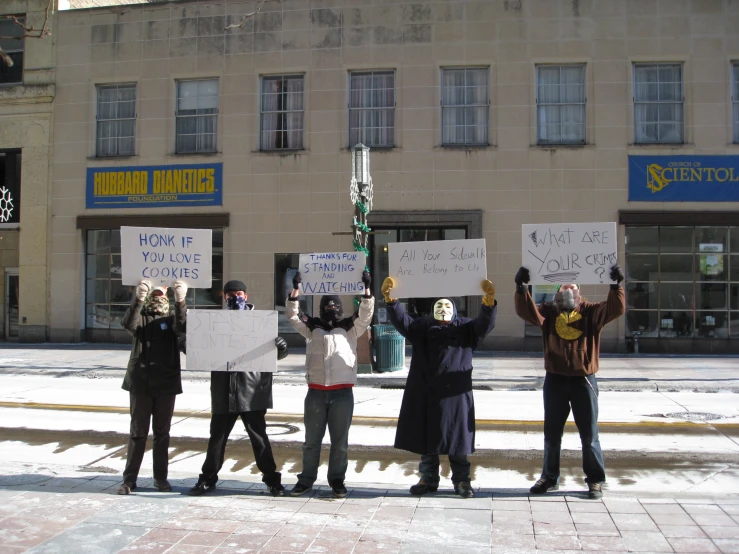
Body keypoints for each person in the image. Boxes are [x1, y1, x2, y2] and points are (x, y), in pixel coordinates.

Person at [514, 265, 625, 499]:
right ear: (556, 290)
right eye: (564, 286)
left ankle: (595, 480)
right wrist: (521, 288)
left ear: (579, 290)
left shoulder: (591, 312)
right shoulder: (549, 312)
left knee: (589, 433)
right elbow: (527, 312)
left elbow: (615, 309)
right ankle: (549, 476)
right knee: (552, 433)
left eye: (572, 286)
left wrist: (616, 287)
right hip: (555, 379)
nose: (568, 289)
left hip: (583, 380)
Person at [381, 278, 498, 498]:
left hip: (455, 394)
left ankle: (462, 480)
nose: (443, 309)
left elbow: (484, 325)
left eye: (447, 306)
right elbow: (402, 321)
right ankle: (428, 478)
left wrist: (488, 304)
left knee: (458, 441)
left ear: (454, 310)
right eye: (439, 306)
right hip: (426, 392)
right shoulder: (422, 327)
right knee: (428, 439)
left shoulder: (466, 327)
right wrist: (392, 301)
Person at [189, 280, 289, 497]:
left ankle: (272, 480)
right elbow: (204, 353)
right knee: (217, 439)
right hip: (224, 390)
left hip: (252, 390)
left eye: (240, 293)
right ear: (224, 296)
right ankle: (207, 478)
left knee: (259, 438)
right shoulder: (214, 322)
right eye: (231, 294)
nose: (236, 297)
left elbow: (271, 355)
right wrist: (189, 348)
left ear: (247, 294)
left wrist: (281, 348)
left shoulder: (260, 322)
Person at [285, 270, 374, 498]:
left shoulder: (350, 327)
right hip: (315, 392)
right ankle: (306, 480)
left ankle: (337, 481)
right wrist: (295, 291)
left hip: (342, 392)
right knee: (311, 442)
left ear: (340, 308)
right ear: (320, 309)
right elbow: (294, 316)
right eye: (327, 306)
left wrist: (367, 290)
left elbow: (365, 315)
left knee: (340, 443)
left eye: (334, 306)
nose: (331, 310)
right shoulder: (312, 327)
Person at [118, 279, 188, 495]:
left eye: (162, 289)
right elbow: (129, 324)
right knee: (138, 433)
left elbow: (183, 327)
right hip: (141, 382)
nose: (158, 292)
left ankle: (161, 478)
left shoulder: (171, 315)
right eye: (154, 290)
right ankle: (129, 479)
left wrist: (181, 301)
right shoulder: (142, 314)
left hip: (166, 383)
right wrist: (138, 299)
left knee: (162, 433)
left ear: (167, 291)